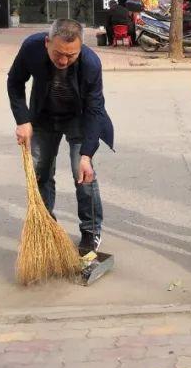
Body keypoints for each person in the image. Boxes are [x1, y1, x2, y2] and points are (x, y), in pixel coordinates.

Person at [7, 19, 114, 255]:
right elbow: (14, 82)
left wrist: (86, 155)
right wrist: (22, 120)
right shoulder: (32, 48)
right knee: (41, 172)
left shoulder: (90, 63)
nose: (64, 61)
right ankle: (46, 225)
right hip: (44, 116)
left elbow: (95, 109)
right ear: (47, 42)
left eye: (71, 55)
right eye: (58, 54)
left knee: (82, 174)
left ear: (80, 49)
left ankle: (91, 231)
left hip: (79, 117)